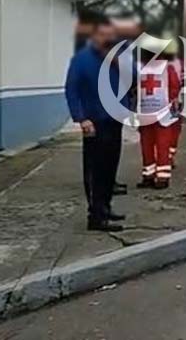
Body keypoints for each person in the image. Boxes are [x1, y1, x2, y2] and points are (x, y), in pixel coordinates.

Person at [64, 18, 130, 232]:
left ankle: (106, 207)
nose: (108, 39)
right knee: (95, 170)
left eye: (111, 36)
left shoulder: (119, 56)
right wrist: (81, 118)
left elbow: (135, 77)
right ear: (94, 36)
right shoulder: (81, 59)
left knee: (111, 167)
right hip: (94, 121)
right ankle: (95, 215)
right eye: (103, 35)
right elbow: (72, 89)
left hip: (115, 119)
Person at [135, 39, 181, 190]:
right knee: (162, 145)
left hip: (145, 112)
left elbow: (132, 88)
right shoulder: (167, 68)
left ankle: (149, 176)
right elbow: (175, 87)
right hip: (163, 113)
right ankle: (161, 178)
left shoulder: (139, 68)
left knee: (146, 146)